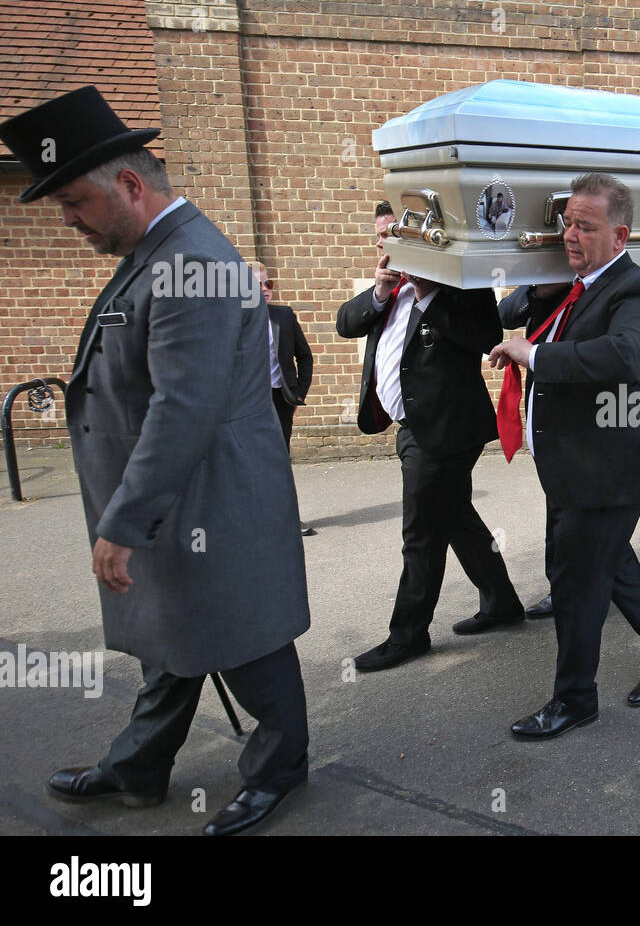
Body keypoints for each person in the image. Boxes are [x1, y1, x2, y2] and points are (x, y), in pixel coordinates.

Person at [1, 86, 310, 836]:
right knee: (170, 641)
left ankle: (279, 770)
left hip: (207, 504)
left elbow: (183, 407)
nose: (68, 219)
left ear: (131, 185)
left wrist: (123, 521)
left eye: (74, 201)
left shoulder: (191, 262)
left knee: (246, 643)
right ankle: (139, 766)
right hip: (179, 505)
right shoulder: (160, 252)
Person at [491, 172, 640, 738]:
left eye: (585, 225)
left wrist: (537, 356)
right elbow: (509, 311)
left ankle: (575, 700)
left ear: (620, 235)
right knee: (611, 564)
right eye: (567, 222)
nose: (570, 234)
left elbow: (627, 356)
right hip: (571, 466)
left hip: (605, 471)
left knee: (577, 583)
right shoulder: (573, 285)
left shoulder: (636, 289)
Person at [337, 204, 524, 670]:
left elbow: (485, 334)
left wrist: (427, 295)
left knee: (421, 534)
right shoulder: (387, 286)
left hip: (444, 431)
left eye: (394, 235)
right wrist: (380, 293)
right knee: (456, 517)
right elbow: (346, 323)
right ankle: (502, 604)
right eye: (381, 235)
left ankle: (408, 635)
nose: (385, 243)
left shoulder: (458, 281)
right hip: (412, 428)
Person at [256, 263, 317, 536]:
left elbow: (304, 356)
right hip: (248, 401)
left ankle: (288, 518)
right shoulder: (231, 320)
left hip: (280, 397)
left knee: (280, 459)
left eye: (268, 284)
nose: (265, 290)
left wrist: (299, 391)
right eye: (258, 285)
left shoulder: (283, 316)